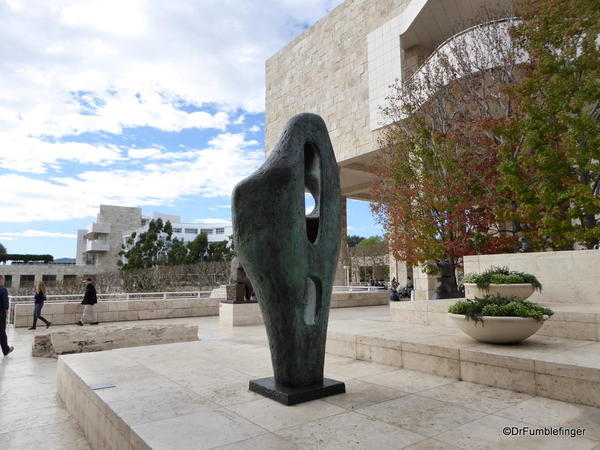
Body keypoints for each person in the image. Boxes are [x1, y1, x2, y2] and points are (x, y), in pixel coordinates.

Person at [0, 275, 14, 356]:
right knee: (2, 332)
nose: (4, 281)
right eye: (3, 280)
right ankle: (6, 350)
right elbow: (5, 302)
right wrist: (6, 310)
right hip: (0, 315)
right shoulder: (3, 289)